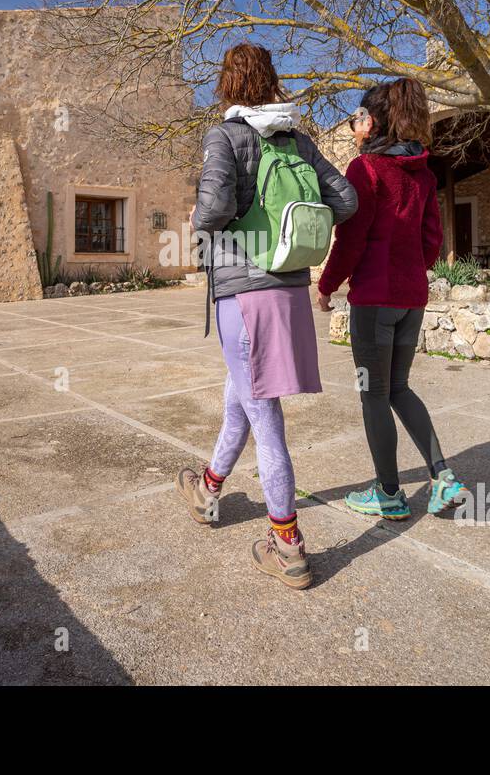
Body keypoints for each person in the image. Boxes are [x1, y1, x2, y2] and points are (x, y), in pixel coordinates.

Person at [176, 42, 357, 590]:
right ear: (272, 80)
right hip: (288, 289)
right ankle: (208, 488)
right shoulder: (298, 140)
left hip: (244, 293)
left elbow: (211, 211)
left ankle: (288, 546)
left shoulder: (225, 136)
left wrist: (204, 218)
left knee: (265, 418)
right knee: (243, 394)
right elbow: (345, 201)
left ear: (227, 83)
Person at [316, 78, 466, 519]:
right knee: (398, 386)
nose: (354, 124)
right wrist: (406, 271)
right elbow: (432, 240)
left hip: (374, 305)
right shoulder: (423, 173)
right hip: (411, 300)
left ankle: (388, 493)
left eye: (358, 116)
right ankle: (443, 476)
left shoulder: (366, 170)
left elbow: (352, 239)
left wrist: (327, 286)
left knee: (372, 393)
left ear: (375, 121)